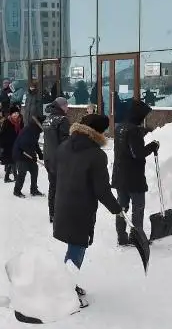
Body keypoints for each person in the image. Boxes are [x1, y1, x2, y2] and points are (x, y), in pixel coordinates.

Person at [52, 115, 122, 306]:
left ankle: (68, 284)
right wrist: (116, 209)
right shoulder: (97, 155)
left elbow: (54, 169)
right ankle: (66, 293)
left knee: (73, 247)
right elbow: (101, 190)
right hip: (81, 208)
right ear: (98, 131)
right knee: (77, 249)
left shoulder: (64, 146)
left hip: (63, 203)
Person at [111, 101, 160, 246]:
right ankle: (137, 237)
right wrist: (152, 146)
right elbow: (137, 153)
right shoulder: (133, 131)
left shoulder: (120, 127)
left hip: (120, 175)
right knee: (138, 208)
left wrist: (142, 133)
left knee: (122, 207)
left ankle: (121, 236)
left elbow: (127, 145)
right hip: (133, 177)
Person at [42, 97, 71, 223]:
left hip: (49, 158)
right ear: (61, 106)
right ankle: (61, 214)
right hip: (60, 159)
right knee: (62, 187)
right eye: (66, 105)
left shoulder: (48, 119)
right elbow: (65, 142)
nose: (67, 108)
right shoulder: (62, 120)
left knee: (53, 186)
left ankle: (52, 213)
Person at [11, 115, 44, 198]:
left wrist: (39, 154)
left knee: (34, 170)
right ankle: (17, 191)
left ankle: (34, 190)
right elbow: (24, 144)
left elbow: (34, 143)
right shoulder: (30, 129)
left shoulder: (35, 130)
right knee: (22, 173)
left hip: (28, 154)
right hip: (21, 154)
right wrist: (32, 156)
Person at [0, 106, 23, 183]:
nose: (15, 115)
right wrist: (1, 145)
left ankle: (6, 178)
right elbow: (2, 134)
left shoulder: (20, 122)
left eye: (17, 113)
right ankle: (16, 177)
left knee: (11, 161)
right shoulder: (7, 122)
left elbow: (22, 132)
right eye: (14, 113)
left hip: (17, 144)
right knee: (12, 161)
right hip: (8, 145)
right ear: (11, 114)